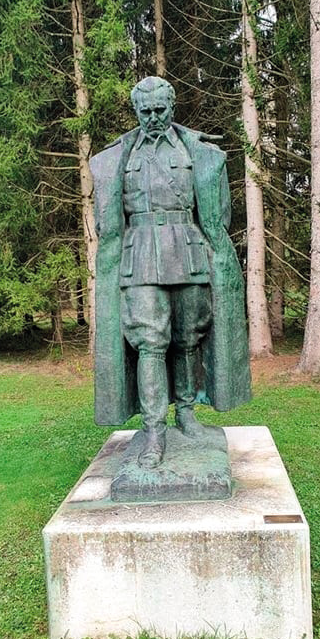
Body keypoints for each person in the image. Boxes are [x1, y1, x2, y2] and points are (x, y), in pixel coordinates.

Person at [89, 76, 251, 468]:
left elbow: (219, 214)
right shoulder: (116, 157)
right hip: (140, 254)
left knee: (187, 339)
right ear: (136, 112)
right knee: (149, 342)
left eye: (160, 110)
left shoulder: (198, 151)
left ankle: (187, 413)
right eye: (145, 112)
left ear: (172, 107)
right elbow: (106, 221)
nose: (153, 117)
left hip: (188, 251)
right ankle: (154, 431)